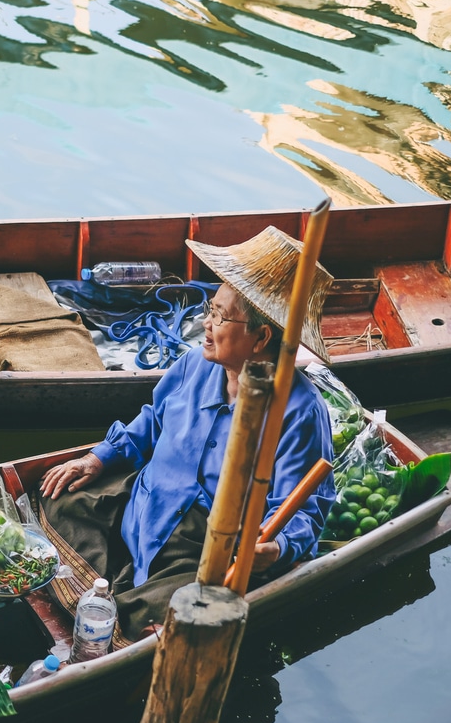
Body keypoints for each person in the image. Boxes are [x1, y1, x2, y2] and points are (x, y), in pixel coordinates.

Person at [38, 226, 337, 641]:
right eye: (210, 309)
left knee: (174, 608)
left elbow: (306, 510)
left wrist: (277, 548)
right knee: (60, 495)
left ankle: (114, 600)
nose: (205, 323)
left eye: (219, 316)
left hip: (204, 541)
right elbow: (151, 423)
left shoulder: (301, 411)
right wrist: (98, 457)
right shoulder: (194, 365)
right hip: (149, 498)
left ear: (261, 338)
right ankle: (112, 588)